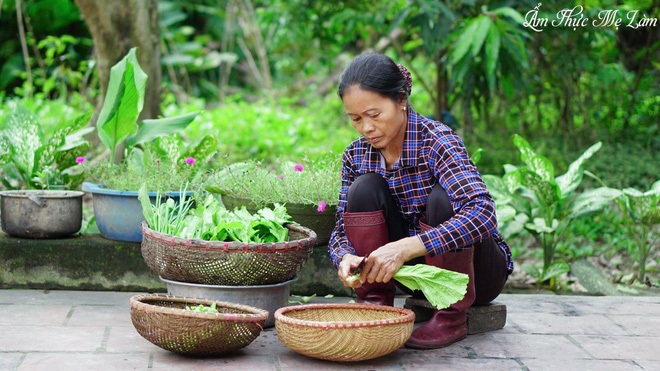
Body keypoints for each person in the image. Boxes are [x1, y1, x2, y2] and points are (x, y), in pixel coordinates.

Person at [328, 53, 513, 350]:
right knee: (363, 189)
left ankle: (451, 316)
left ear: (401, 100)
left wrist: (406, 247)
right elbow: (339, 229)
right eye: (355, 119)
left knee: (444, 198)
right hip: (415, 274)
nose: (366, 128)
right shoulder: (356, 155)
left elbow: (483, 214)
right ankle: (376, 303)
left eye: (374, 115)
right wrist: (345, 256)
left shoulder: (438, 142)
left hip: (478, 276)